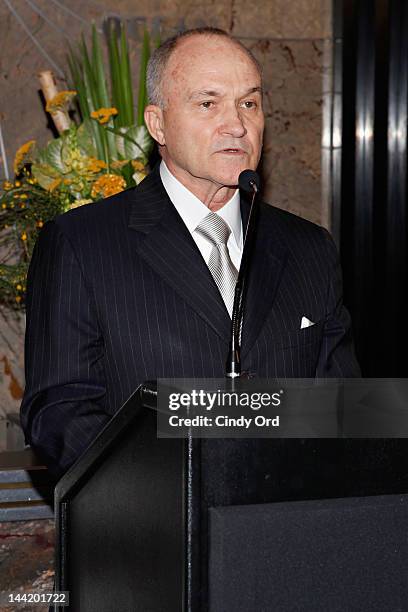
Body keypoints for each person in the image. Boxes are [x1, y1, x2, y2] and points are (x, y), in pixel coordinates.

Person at [20, 27, 360, 479]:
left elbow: (343, 409)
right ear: (157, 123)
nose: (237, 124)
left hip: (285, 526)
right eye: (208, 103)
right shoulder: (82, 243)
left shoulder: (309, 247)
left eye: (249, 103)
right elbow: (59, 412)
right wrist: (168, 492)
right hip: (151, 533)